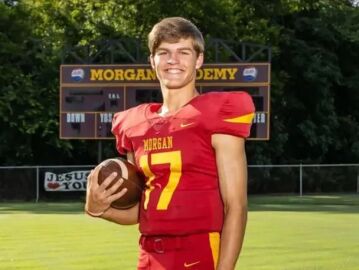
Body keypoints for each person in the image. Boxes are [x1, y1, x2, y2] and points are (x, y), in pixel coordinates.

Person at [85, 17, 255, 270]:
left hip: (202, 251)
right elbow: (142, 212)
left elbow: (236, 207)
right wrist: (97, 208)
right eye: (163, 52)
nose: (173, 60)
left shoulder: (217, 113)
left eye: (183, 52)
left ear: (199, 60)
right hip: (150, 256)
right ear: (152, 61)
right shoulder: (134, 125)